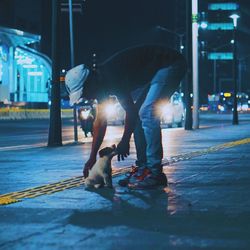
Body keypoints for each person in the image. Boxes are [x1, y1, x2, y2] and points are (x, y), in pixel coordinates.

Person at [65, 43, 187, 189]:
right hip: (155, 72)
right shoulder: (101, 85)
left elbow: (131, 111)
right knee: (140, 116)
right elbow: (100, 121)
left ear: (90, 82)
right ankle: (143, 168)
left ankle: (155, 173)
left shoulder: (111, 76)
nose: (86, 97)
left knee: (147, 112)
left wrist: (125, 141)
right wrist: (91, 158)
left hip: (170, 64)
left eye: (84, 92)